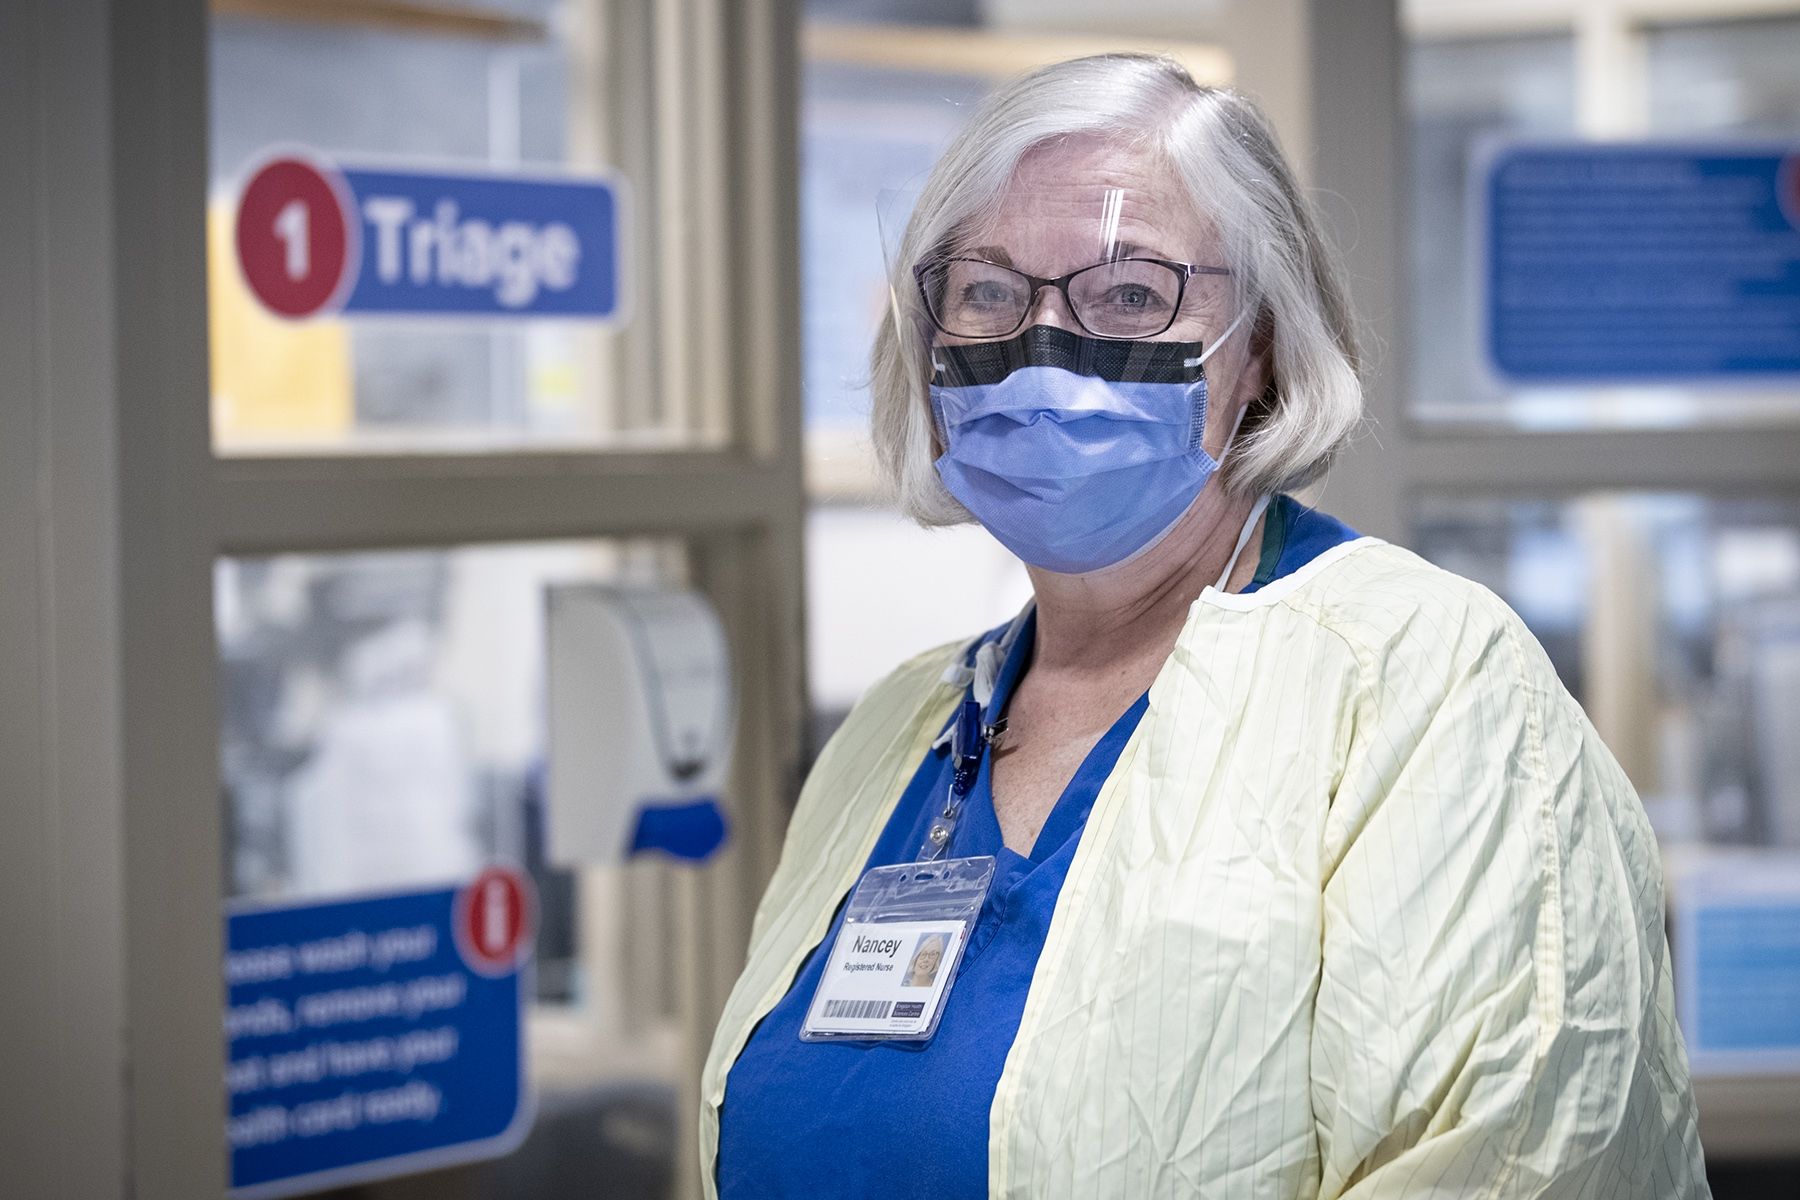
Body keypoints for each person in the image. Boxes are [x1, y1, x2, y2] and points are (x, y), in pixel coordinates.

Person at [702, 54, 1709, 1198]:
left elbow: (1523, 1161)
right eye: (987, 292)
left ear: (1262, 350)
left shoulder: (1425, 687)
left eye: (1130, 294)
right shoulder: (899, 729)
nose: (1043, 346)